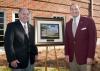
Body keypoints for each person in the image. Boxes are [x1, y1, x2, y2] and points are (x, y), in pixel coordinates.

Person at [64, 4, 97, 71]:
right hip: (72, 58)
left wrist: (90, 56)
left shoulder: (89, 21)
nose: (74, 11)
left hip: (85, 58)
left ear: (79, 9)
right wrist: (66, 54)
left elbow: (92, 40)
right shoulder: (68, 24)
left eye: (76, 9)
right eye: (72, 9)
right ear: (70, 11)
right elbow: (66, 40)